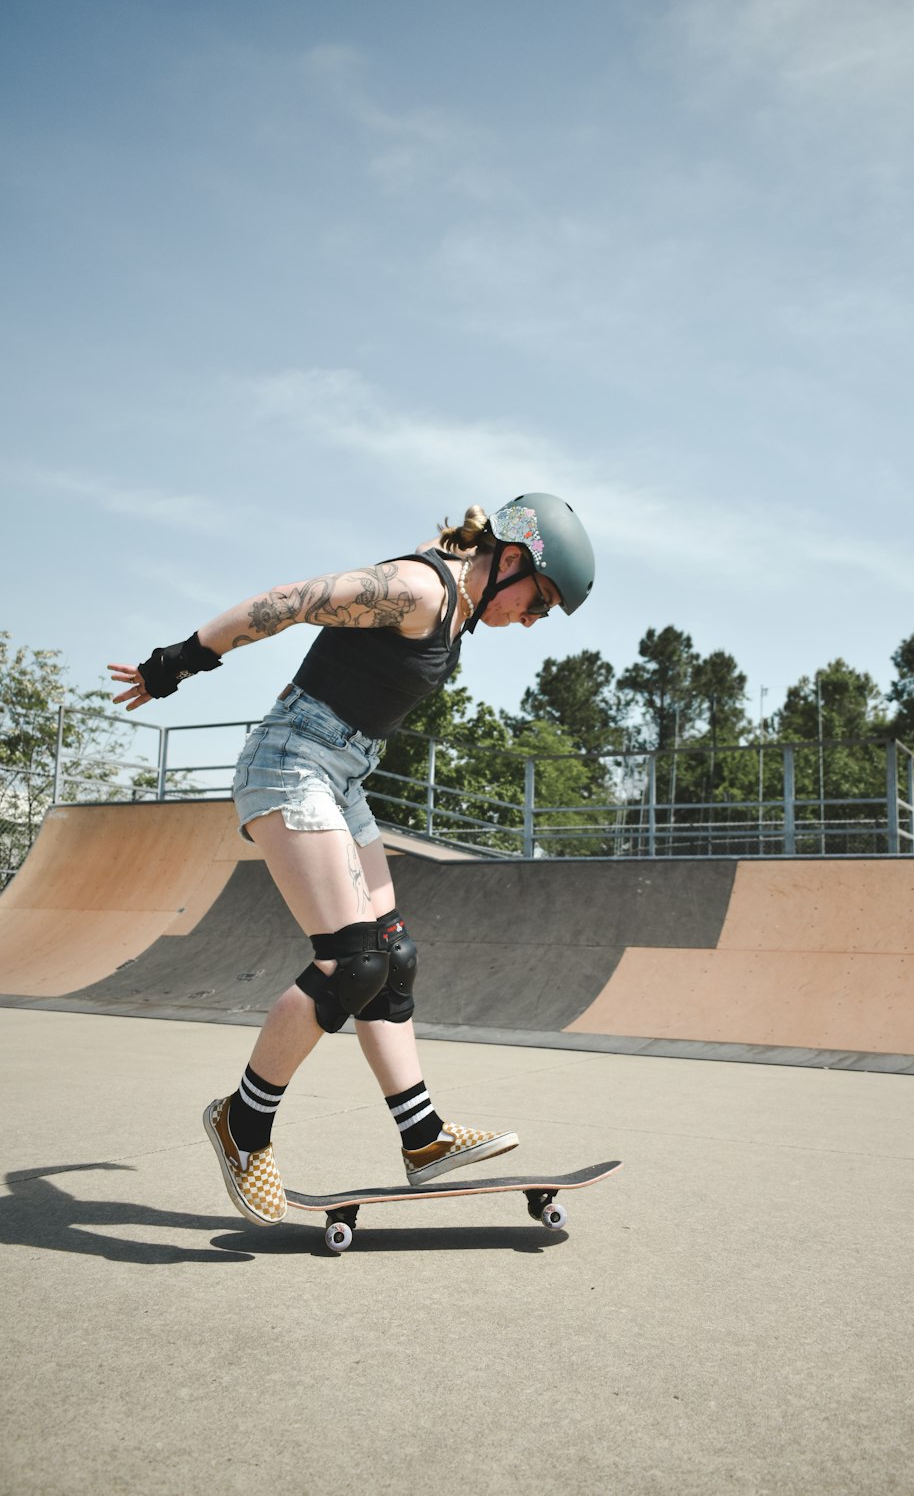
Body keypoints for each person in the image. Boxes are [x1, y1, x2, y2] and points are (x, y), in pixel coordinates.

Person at [109, 492, 595, 1227]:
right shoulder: (419, 589)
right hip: (290, 763)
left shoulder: (457, 612)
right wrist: (181, 661)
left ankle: (423, 1137)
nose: (532, 621)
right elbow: (295, 600)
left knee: (393, 955)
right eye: (540, 603)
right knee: (352, 962)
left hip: (341, 774)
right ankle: (243, 1126)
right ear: (514, 561)